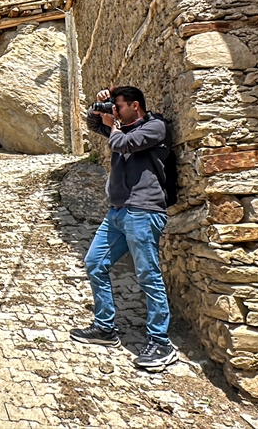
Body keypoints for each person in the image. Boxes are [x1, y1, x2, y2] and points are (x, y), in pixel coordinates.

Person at [69, 86, 176, 372]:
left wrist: (114, 124)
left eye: (119, 106)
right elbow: (94, 123)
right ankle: (105, 328)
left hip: (144, 211)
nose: (115, 111)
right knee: (95, 263)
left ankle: (161, 342)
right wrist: (101, 105)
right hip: (117, 212)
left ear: (135, 105)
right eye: (113, 107)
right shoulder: (123, 128)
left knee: (148, 275)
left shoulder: (155, 127)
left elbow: (123, 144)